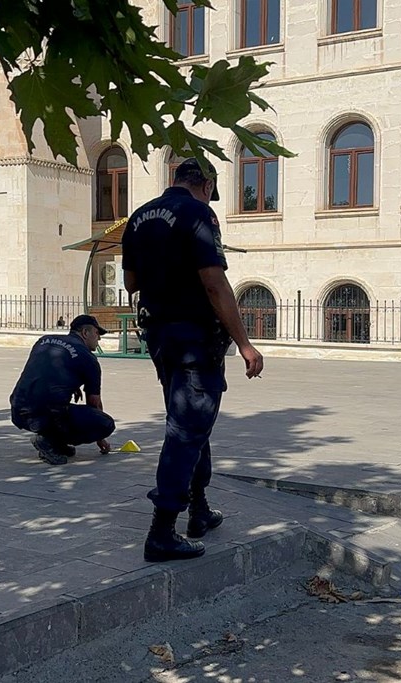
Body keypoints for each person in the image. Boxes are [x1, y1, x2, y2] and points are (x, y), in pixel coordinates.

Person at [121, 157, 265, 563]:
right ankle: (162, 530)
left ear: (174, 179)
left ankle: (198, 510)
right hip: (194, 338)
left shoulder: (139, 216)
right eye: (210, 191)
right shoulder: (199, 213)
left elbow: (131, 282)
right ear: (205, 184)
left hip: (160, 337)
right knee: (186, 431)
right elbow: (214, 282)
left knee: (190, 422)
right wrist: (246, 344)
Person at [9, 315, 115, 465]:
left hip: (18, 409)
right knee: (105, 423)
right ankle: (48, 441)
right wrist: (100, 438)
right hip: (46, 413)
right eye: (97, 334)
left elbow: (47, 372)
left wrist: (73, 385)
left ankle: (56, 444)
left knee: (55, 405)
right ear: (85, 333)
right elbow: (94, 402)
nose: (99, 339)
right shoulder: (88, 359)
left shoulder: (44, 341)